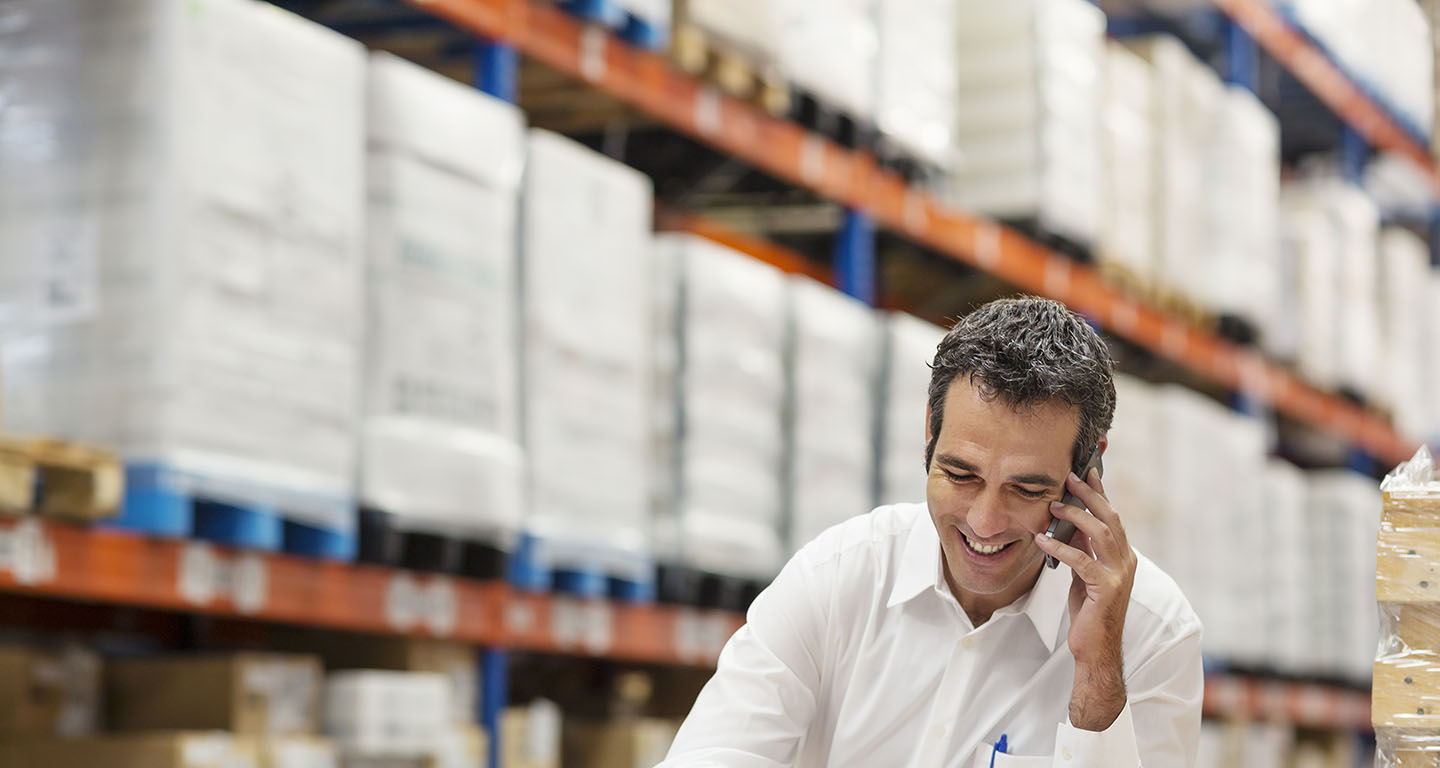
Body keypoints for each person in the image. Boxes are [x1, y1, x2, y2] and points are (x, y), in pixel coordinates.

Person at [658, 297, 1202, 767]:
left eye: (1028, 490)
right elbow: (716, 751)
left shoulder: (1151, 631)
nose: (984, 522)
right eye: (960, 475)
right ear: (929, 431)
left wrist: (1099, 680)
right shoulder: (840, 577)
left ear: (1089, 469)